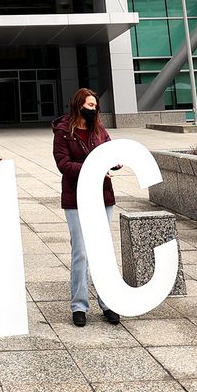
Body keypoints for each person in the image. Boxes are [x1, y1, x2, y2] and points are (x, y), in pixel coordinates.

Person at [52, 87, 122, 327]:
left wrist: (116, 161)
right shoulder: (63, 132)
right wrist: (93, 168)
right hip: (76, 199)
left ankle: (108, 302)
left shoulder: (99, 130)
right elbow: (64, 164)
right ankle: (79, 306)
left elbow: (112, 154)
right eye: (90, 105)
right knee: (81, 252)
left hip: (102, 197)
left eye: (96, 106)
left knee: (102, 250)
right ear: (78, 105)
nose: (94, 110)